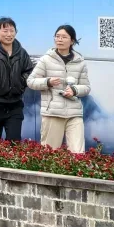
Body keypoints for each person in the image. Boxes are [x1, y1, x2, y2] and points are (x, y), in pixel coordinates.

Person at [27, 24, 90, 153]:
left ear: (72, 41)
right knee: (50, 153)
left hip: (74, 113)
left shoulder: (80, 61)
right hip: (52, 113)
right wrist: (48, 82)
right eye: (57, 36)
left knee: (78, 154)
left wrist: (75, 90)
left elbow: (86, 87)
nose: (59, 39)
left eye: (64, 37)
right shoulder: (46, 59)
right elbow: (31, 81)